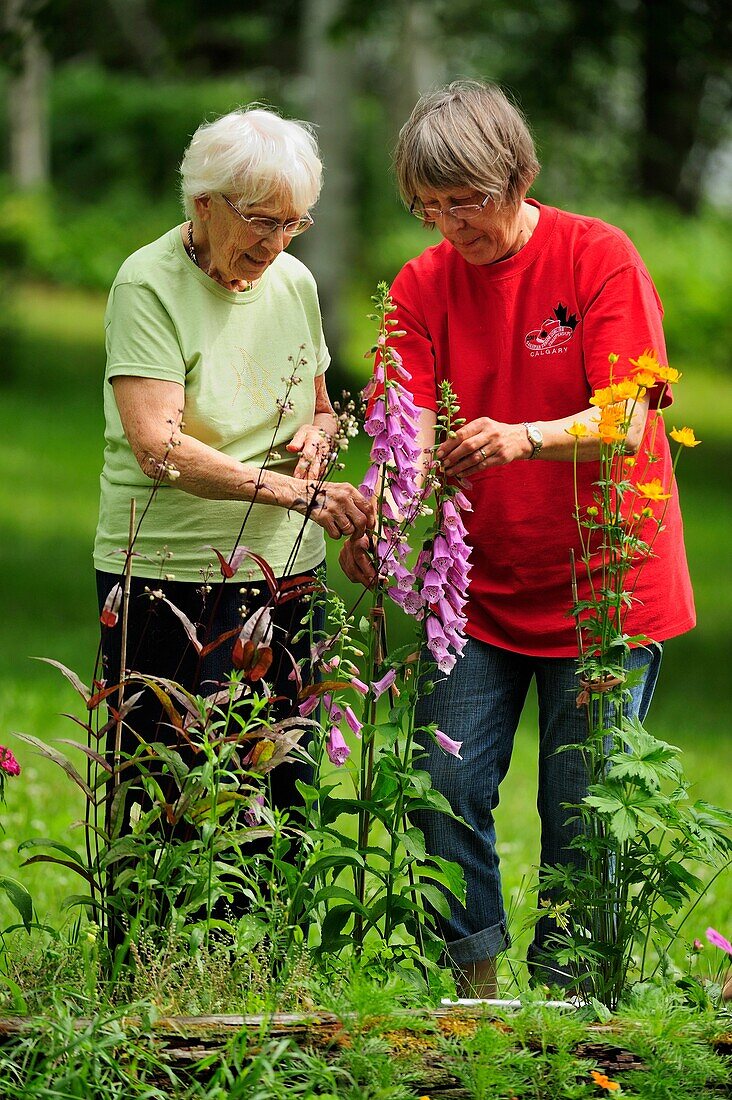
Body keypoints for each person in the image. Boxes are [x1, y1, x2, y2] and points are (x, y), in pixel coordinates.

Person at [340, 81, 695, 997]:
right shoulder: (421, 285)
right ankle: (476, 994)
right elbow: (408, 428)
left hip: (605, 585)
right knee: (440, 784)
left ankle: (578, 1006)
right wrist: (385, 516)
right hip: (483, 592)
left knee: (581, 810)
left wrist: (523, 434)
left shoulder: (598, 257)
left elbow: (626, 418)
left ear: (516, 176)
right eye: (432, 205)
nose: (454, 222)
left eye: (470, 199)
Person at [94, 106, 374, 900]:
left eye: (295, 222)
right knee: (166, 785)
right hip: (168, 571)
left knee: (279, 782)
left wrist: (318, 439)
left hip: (284, 567)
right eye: (260, 221)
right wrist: (296, 492)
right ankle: (153, 967)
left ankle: (258, 960)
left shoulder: (294, 282)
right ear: (203, 204)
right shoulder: (147, 283)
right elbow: (159, 446)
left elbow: (320, 405)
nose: (276, 243)